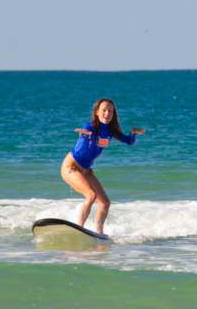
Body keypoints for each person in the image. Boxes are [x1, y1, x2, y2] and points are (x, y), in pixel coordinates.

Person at [60, 98, 146, 234]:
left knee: (105, 203)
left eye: (110, 111)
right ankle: (79, 229)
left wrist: (133, 132)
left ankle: (99, 233)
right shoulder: (91, 127)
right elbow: (84, 137)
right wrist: (85, 135)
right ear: (97, 112)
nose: (107, 113)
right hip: (71, 167)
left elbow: (129, 141)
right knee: (91, 195)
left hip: (86, 170)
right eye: (104, 110)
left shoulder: (110, 131)